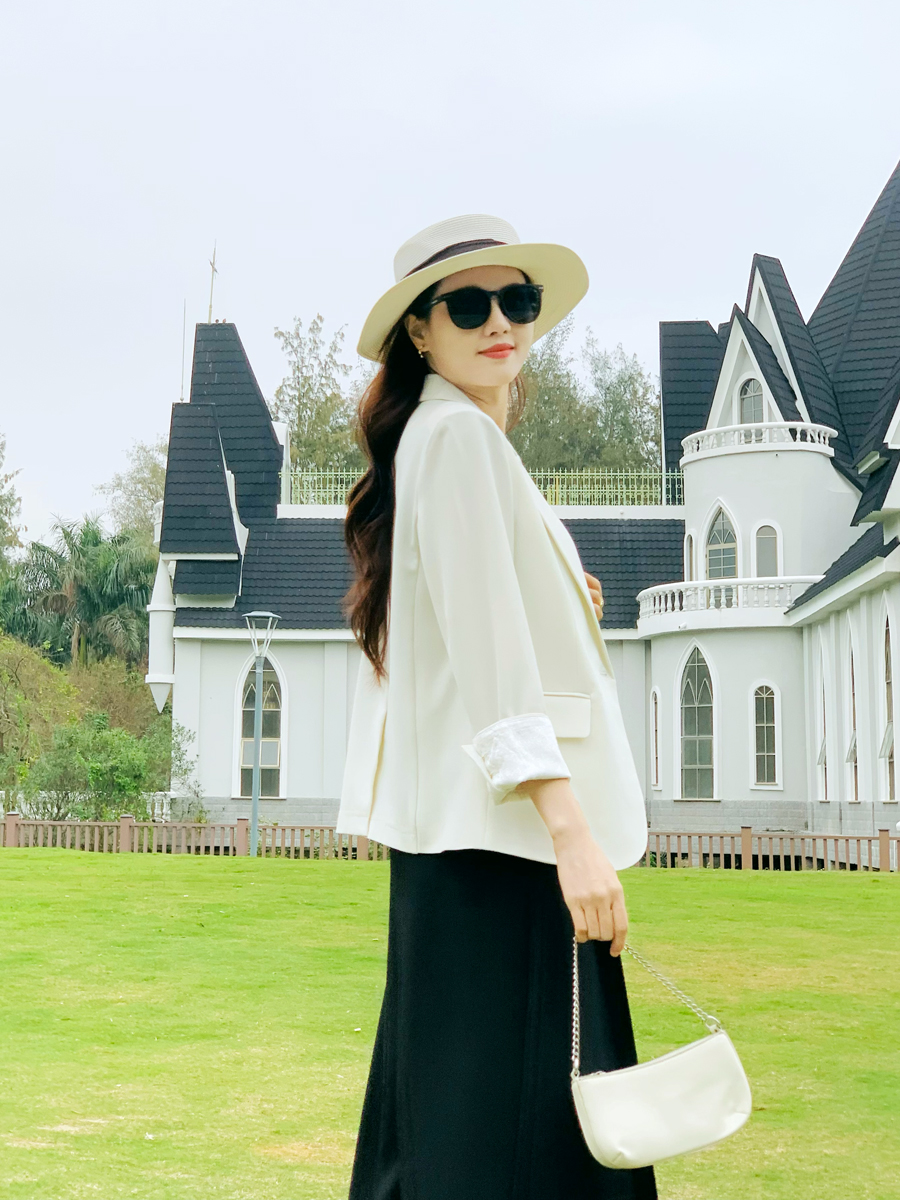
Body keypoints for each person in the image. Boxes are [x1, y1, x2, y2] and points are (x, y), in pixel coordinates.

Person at [337, 215, 657, 1199]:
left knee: (453, 1128)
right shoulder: (457, 439)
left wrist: (564, 594)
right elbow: (488, 662)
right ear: (420, 331)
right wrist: (573, 835)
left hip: (468, 850)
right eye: (467, 306)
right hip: (506, 849)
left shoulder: (443, 438)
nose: (498, 323)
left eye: (516, 300)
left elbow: (463, 625)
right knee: (519, 1141)